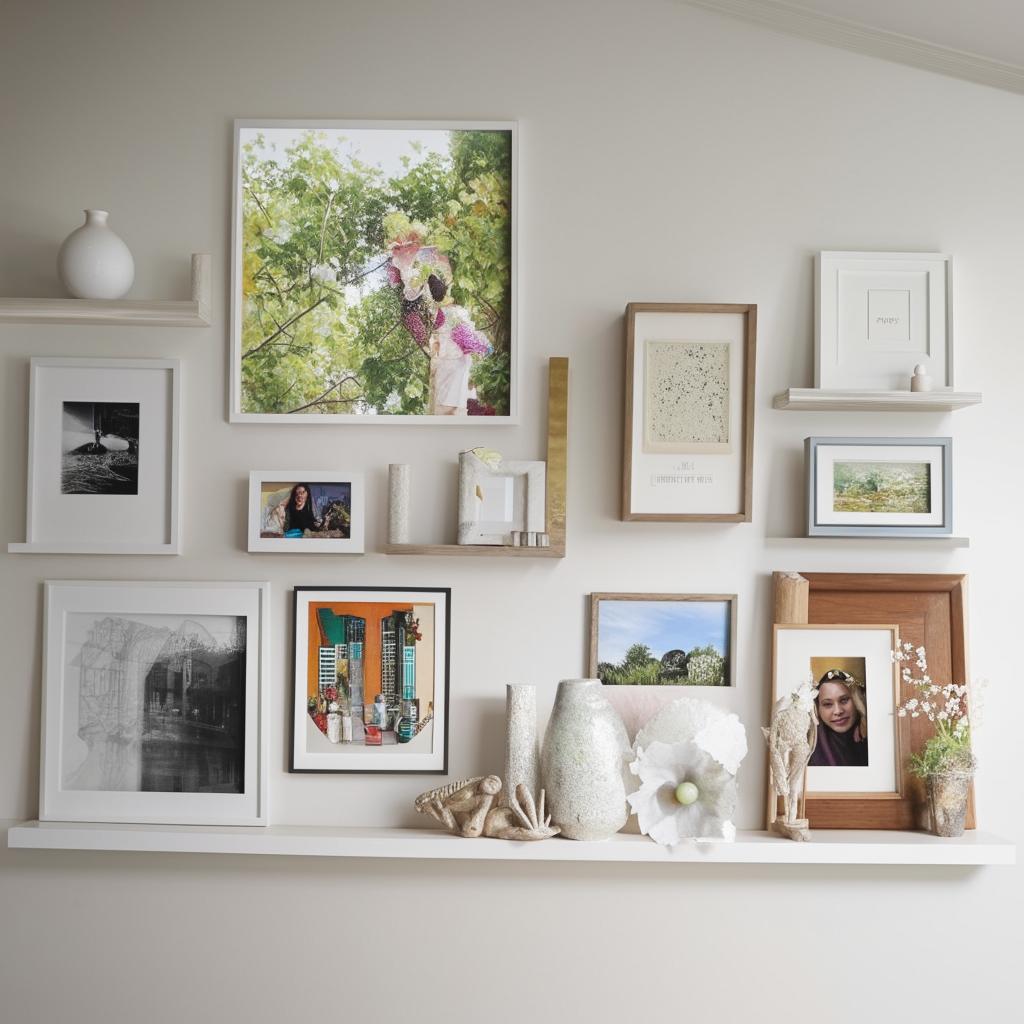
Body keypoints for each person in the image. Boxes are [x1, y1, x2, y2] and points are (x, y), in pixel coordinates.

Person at [808, 668, 869, 767]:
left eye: (844, 700)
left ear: (857, 700)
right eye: (827, 704)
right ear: (817, 708)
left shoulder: (872, 735)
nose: (838, 711)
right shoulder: (809, 747)